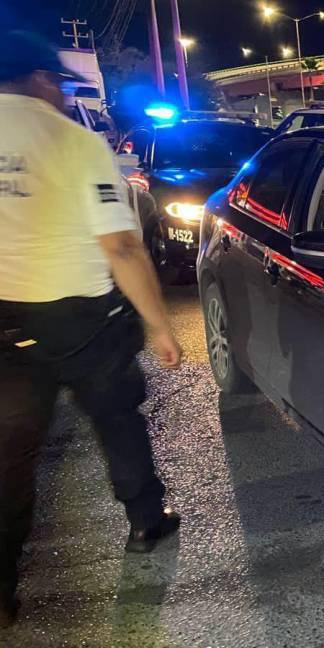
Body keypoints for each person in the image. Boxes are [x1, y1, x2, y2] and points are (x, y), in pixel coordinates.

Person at [0, 31, 184, 628]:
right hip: (83, 318)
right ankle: (145, 521)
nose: (60, 93)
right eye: (59, 83)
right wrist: (160, 325)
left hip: (5, 322)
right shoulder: (75, 143)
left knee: (9, 456)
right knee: (117, 416)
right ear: (41, 80)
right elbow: (123, 246)